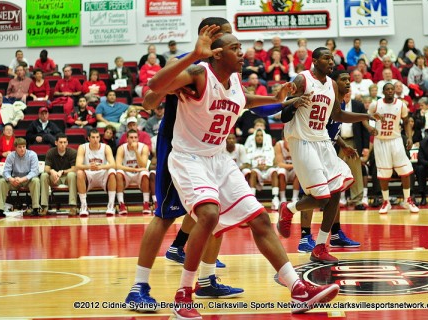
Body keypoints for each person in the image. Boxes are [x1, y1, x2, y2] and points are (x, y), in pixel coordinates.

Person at [141, 26, 339, 319]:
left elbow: (245, 101)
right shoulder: (198, 73)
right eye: (235, 48)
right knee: (207, 214)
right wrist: (196, 54)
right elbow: (155, 86)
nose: (243, 54)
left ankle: (297, 288)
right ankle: (183, 296)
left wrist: (277, 98)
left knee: (259, 219)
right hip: (189, 159)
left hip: (218, 159)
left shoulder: (233, 81)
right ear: (218, 54)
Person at [125, 17, 285, 313]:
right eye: (225, 37)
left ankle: (207, 277)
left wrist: (275, 101)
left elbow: (240, 98)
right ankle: (139, 286)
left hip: (211, 150)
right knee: (164, 216)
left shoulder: (230, 72)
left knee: (214, 212)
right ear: (208, 37)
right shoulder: (191, 64)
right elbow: (149, 99)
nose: (233, 46)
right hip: (182, 145)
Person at [278, 47, 381, 264]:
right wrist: (295, 102)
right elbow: (284, 114)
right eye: (326, 58)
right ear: (314, 60)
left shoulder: (332, 85)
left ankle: (320, 247)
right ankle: (288, 209)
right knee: (321, 196)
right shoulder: (302, 79)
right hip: (302, 140)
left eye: (332, 58)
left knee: (336, 191)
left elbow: (337, 115)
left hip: (323, 140)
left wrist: (366, 116)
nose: (331, 61)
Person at [367, 83, 419, 214]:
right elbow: (365, 118)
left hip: (396, 140)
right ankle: (386, 202)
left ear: (394, 91)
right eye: (387, 89)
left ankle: (407, 200)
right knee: (384, 175)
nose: (390, 91)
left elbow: (406, 121)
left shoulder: (401, 104)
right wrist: (369, 127)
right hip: (381, 141)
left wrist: (409, 137)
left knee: (405, 170)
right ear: (383, 91)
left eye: (392, 89)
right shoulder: (376, 104)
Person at [75, 129, 117, 216]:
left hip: (102, 174)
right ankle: (84, 206)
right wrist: (89, 167)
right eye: (93, 137)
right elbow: (78, 165)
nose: (95, 139)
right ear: (88, 138)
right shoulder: (82, 147)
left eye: (97, 137)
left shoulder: (106, 147)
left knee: (112, 171)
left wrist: (100, 167)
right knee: (79, 173)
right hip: (89, 174)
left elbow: (113, 164)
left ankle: (111, 205)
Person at [0, 138, 40, 217]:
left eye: (24, 146)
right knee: (2, 181)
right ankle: (0, 209)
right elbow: (6, 171)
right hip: (15, 180)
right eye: (20, 147)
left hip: (27, 180)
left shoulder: (32, 154)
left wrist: (23, 179)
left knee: (36, 180)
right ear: (15, 148)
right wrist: (11, 179)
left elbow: (35, 171)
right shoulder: (11, 156)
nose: (22, 149)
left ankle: (36, 209)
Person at [40, 133, 78, 216]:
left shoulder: (73, 152)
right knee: (44, 175)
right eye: (61, 142)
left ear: (67, 143)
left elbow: (75, 168)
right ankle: (44, 206)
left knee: (72, 175)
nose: (63, 144)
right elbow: (46, 168)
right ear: (56, 143)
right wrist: (52, 171)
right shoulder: (50, 152)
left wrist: (62, 172)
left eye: (65, 142)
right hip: (54, 178)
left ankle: (73, 206)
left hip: (67, 177)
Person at [115, 129, 151, 214]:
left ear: (138, 138)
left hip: (139, 174)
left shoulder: (144, 147)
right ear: (127, 139)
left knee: (145, 173)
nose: (133, 139)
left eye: (135, 137)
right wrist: (134, 169)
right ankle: (121, 204)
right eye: (131, 137)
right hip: (127, 173)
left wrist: (136, 151)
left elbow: (143, 165)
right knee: (118, 173)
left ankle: (146, 203)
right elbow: (118, 166)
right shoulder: (121, 148)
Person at [246, 128, 279, 210]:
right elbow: (247, 164)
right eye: (257, 135)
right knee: (253, 172)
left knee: (274, 171)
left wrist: (267, 167)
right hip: (256, 171)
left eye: (261, 135)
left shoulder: (270, 148)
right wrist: (256, 167)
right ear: (254, 138)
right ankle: (252, 199)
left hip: (268, 170)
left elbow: (275, 164)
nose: (259, 137)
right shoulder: (250, 150)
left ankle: (275, 198)